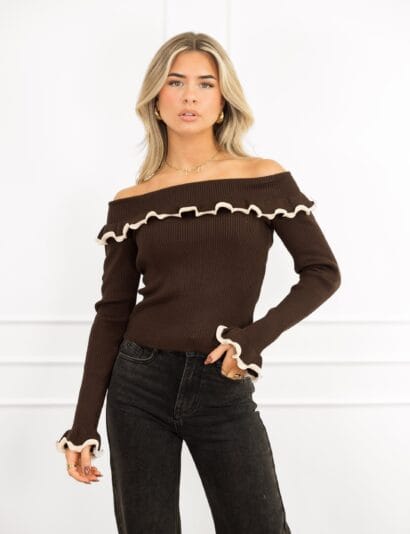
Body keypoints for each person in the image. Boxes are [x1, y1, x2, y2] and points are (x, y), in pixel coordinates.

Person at [56, 31, 341, 534]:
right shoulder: (131, 201)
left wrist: (251, 340)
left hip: (221, 381)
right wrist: (83, 426)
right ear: (156, 99)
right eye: (176, 82)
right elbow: (112, 313)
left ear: (223, 99)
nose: (190, 96)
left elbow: (322, 272)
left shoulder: (262, 177)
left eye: (205, 84)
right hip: (138, 384)